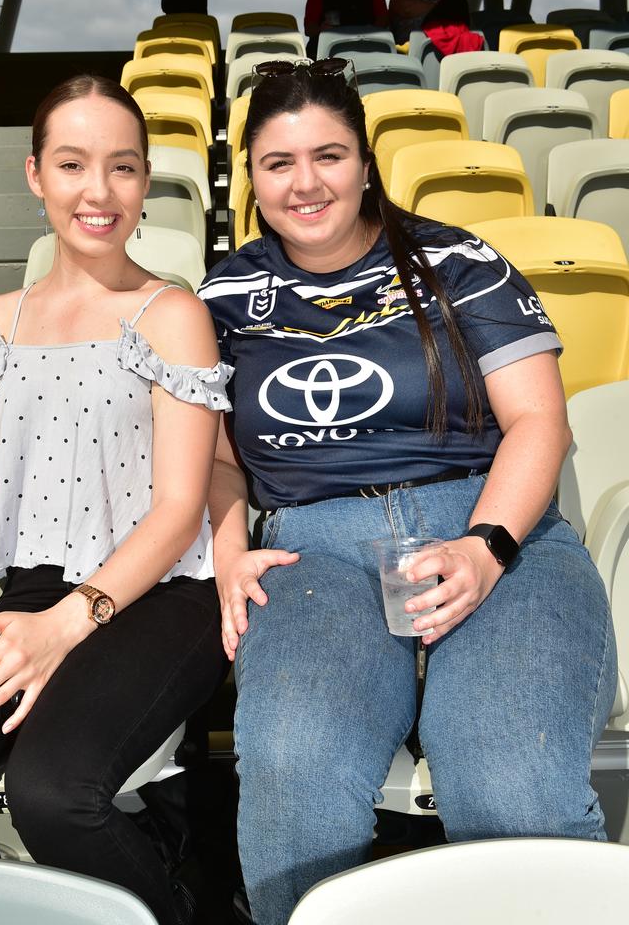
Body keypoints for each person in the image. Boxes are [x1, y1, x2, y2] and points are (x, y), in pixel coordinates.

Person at [197, 62, 618, 925]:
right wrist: (229, 545)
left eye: (329, 155)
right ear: (251, 175)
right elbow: (218, 458)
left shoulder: (459, 261)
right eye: (278, 163)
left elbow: (541, 422)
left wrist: (486, 547)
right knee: (292, 775)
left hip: (491, 527)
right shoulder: (222, 298)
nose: (306, 183)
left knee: (511, 783)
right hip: (313, 548)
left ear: (365, 160)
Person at [0, 74, 231, 925]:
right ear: (35, 174)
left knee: (55, 790)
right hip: (34, 590)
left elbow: (180, 509)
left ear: (146, 182)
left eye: (123, 168)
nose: (98, 193)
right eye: (72, 165)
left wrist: (68, 625)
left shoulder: (173, 315)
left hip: (159, 595)